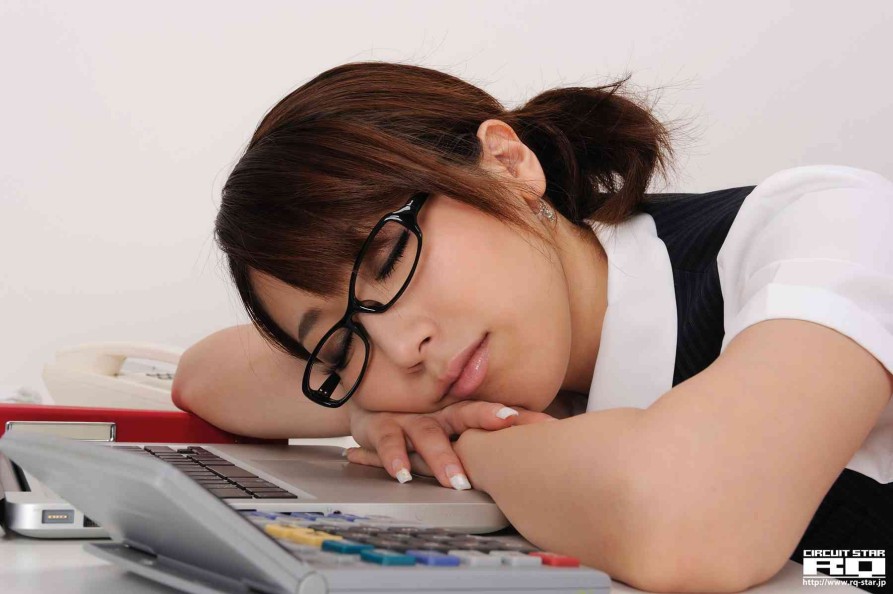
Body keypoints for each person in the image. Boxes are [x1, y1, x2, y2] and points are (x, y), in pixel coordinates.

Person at [172, 61, 893, 592]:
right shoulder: (435, 367)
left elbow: (687, 525)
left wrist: (468, 445)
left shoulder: (824, 225)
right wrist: (368, 408)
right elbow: (204, 376)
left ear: (508, 165)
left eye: (388, 261)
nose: (399, 348)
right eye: (340, 347)